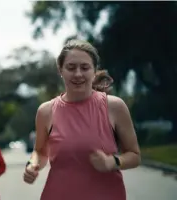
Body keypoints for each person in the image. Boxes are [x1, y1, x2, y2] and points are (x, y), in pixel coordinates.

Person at [23, 39, 141, 200]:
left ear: (94, 71)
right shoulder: (46, 111)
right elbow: (40, 151)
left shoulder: (114, 106)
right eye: (71, 68)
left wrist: (112, 162)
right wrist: (33, 165)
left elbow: (134, 155)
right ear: (61, 70)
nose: (78, 74)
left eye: (84, 68)